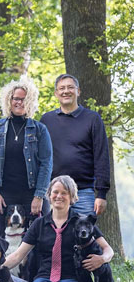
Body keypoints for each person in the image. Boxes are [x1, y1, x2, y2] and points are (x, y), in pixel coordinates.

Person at [3, 175, 114, 282]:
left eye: (64, 193)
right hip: (44, 277)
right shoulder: (39, 224)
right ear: (49, 195)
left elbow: (108, 250)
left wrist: (102, 259)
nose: (59, 196)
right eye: (55, 192)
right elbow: (18, 255)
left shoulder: (82, 222)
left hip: (71, 278)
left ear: (72, 197)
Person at [0, 77, 53, 234]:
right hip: (4, 196)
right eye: (16, 98)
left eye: (25, 99)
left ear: (31, 102)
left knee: (39, 239)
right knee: (4, 239)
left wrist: (39, 196)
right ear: (9, 100)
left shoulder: (39, 129)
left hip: (32, 194)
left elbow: (46, 163)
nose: (20, 102)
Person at [40, 74, 110, 217]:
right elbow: (40, 157)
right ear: (56, 93)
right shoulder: (46, 120)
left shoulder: (93, 119)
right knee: (54, 238)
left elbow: (101, 157)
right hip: (54, 194)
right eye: (62, 88)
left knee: (84, 238)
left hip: (83, 193)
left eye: (70, 87)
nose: (66, 91)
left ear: (78, 91)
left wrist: (101, 194)